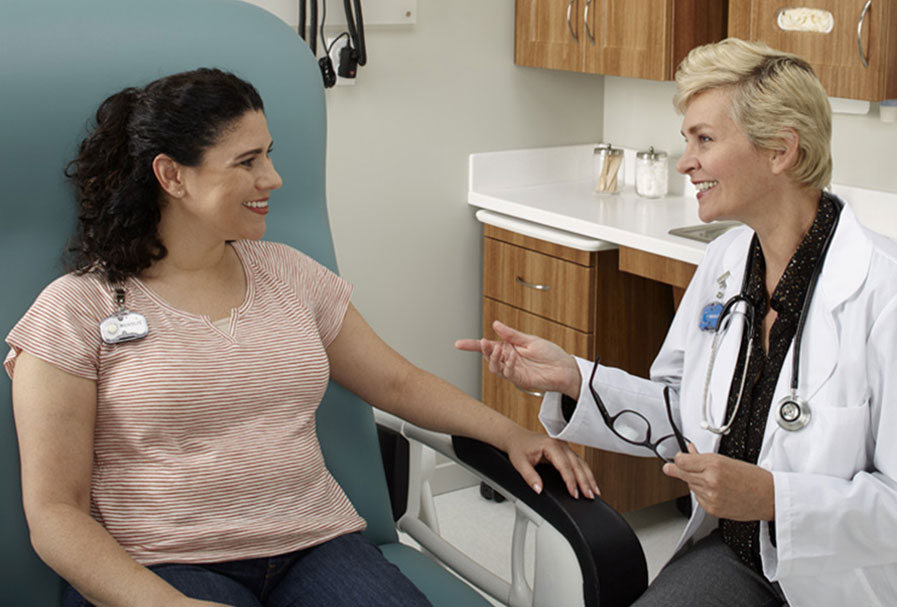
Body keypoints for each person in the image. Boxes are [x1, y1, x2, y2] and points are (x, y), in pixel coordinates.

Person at [5, 68, 598, 607]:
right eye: (247, 162)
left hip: (314, 548)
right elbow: (55, 512)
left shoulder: (289, 274)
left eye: (270, 155)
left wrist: (512, 432)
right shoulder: (74, 309)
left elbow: (396, 381)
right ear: (172, 175)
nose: (274, 178)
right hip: (160, 565)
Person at [457, 39, 897, 607]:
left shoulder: (882, 291)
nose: (684, 161)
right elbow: (685, 416)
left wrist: (772, 499)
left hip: (846, 581)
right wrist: (574, 379)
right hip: (740, 557)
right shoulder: (725, 262)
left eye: (704, 140)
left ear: (781, 151)